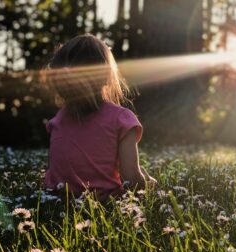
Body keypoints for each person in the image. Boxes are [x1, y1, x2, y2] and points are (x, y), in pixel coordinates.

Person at [41, 34, 157, 202]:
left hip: (57, 201)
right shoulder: (121, 119)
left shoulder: (57, 121)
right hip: (105, 204)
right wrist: (149, 184)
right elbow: (130, 179)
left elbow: (56, 171)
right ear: (105, 75)